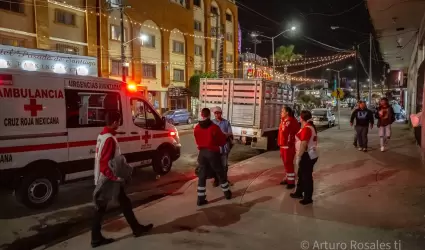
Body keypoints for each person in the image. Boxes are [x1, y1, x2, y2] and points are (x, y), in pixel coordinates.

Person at [92, 111, 153, 248]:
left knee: (124, 203)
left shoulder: (103, 135)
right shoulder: (109, 139)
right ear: (114, 122)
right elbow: (104, 162)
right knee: (100, 208)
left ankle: (136, 228)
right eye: (119, 121)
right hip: (108, 179)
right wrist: (116, 178)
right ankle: (96, 238)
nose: (119, 124)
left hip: (106, 178)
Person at [194, 108, 232, 206]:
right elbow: (222, 141)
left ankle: (200, 199)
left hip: (202, 154)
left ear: (201, 115)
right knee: (220, 173)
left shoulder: (197, 127)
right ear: (209, 115)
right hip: (213, 153)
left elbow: (197, 140)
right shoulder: (214, 127)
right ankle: (227, 193)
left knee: (202, 176)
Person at [290, 110, 319, 205]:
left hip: (307, 155)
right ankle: (299, 192)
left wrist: (299, 157)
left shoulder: (307, 128)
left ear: (301, 118)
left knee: (306, 177)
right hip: (309, 155)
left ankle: (308, 198)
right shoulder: (309, 127)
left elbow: (304, 143)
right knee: (302, 175)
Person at [277, 106, 300, 189]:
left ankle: (291, 182)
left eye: (282, 111)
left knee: (288, 163)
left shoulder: (290, 121)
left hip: (288, 146)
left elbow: (288, 133)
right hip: (283, 145)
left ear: (287, 113)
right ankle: (288, 178)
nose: (281, 113)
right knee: (286, 164)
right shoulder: (284, 121)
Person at [212, 106, 233, 187]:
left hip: (224, 147)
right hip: (215, 148)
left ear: (221, 113)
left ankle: (224, 180)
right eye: (215, 113)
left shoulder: (226, 122)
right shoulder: (212, 123)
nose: (217, 114)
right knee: (215, 165)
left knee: (224, 165)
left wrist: (224, 134)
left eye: (218, 113)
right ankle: (216, 180)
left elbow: (230, 133)